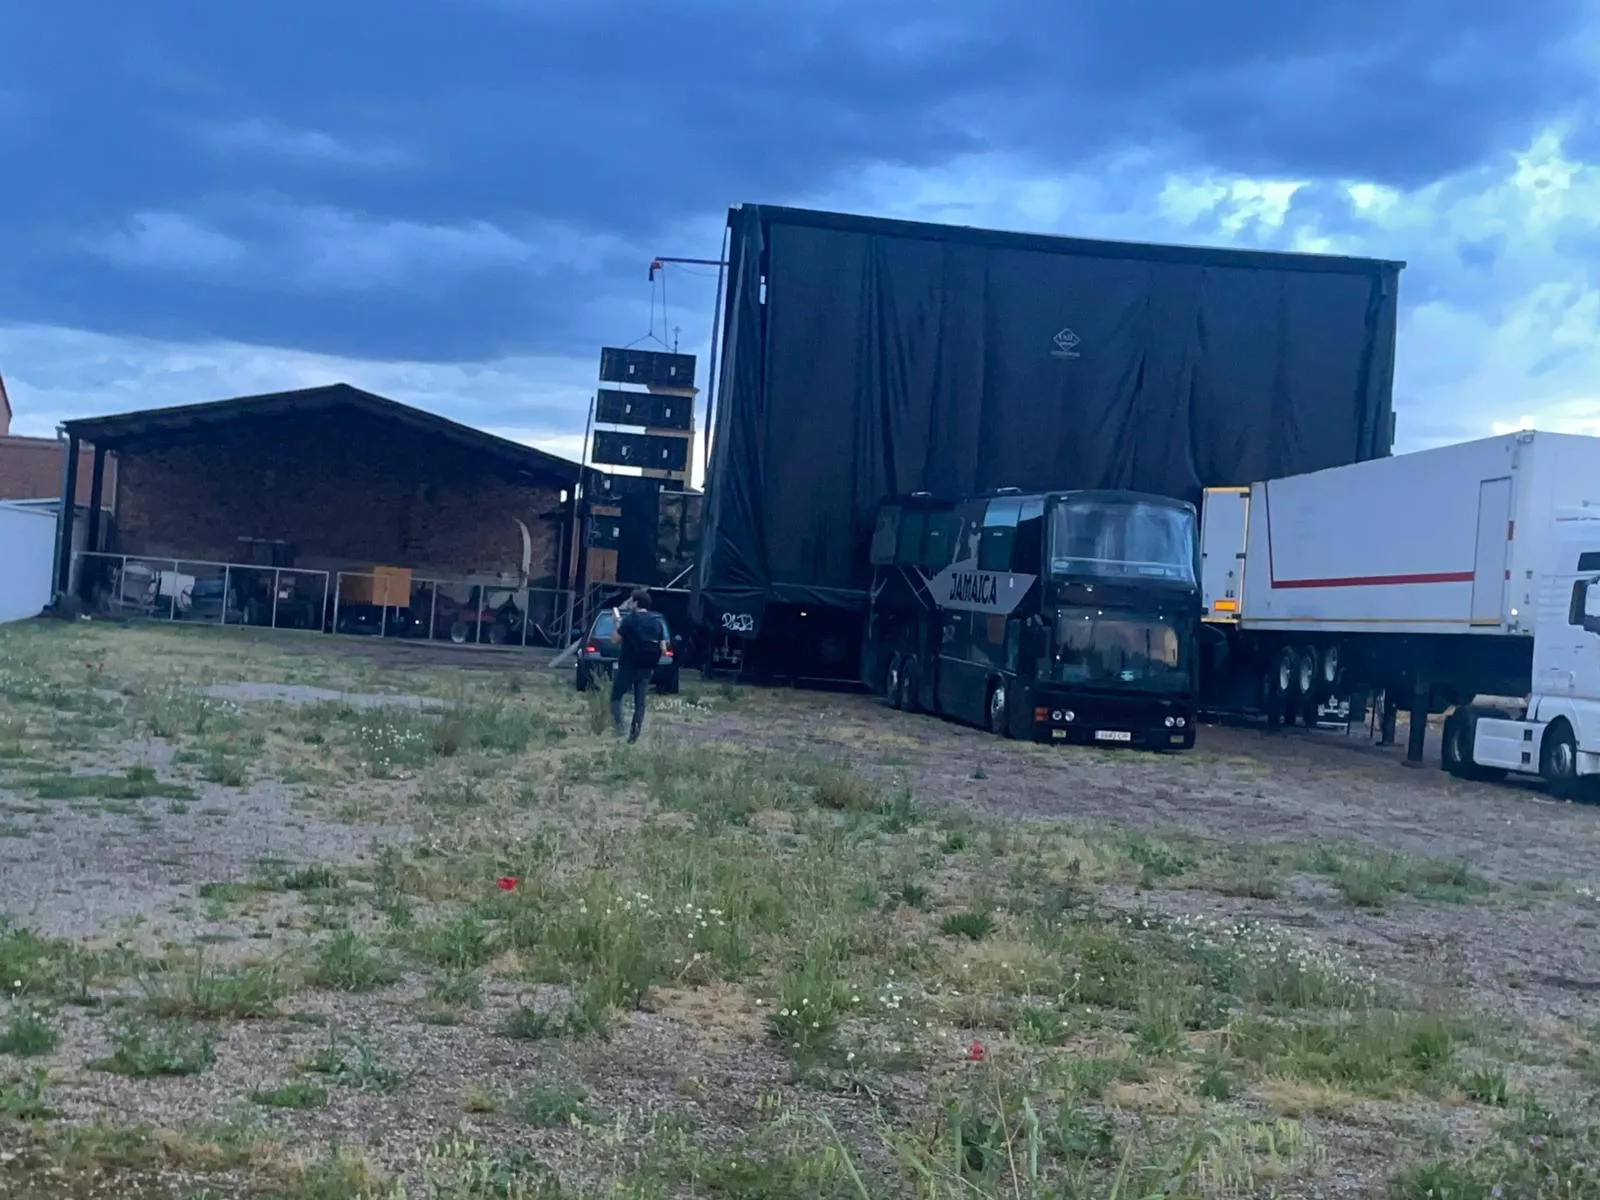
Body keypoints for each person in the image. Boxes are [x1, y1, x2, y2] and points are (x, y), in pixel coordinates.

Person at [608, 587, 668, 743]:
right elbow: (663, 648)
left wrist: (615, 623)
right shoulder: (657, 622)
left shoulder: (629, 620)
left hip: (628, 665)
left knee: (615, 697)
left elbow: (614, 641)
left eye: (630, 601)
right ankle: (634, 736)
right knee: (640, 703)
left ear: (636, 603)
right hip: (647, 667)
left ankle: (619, 728)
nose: (628, 603)